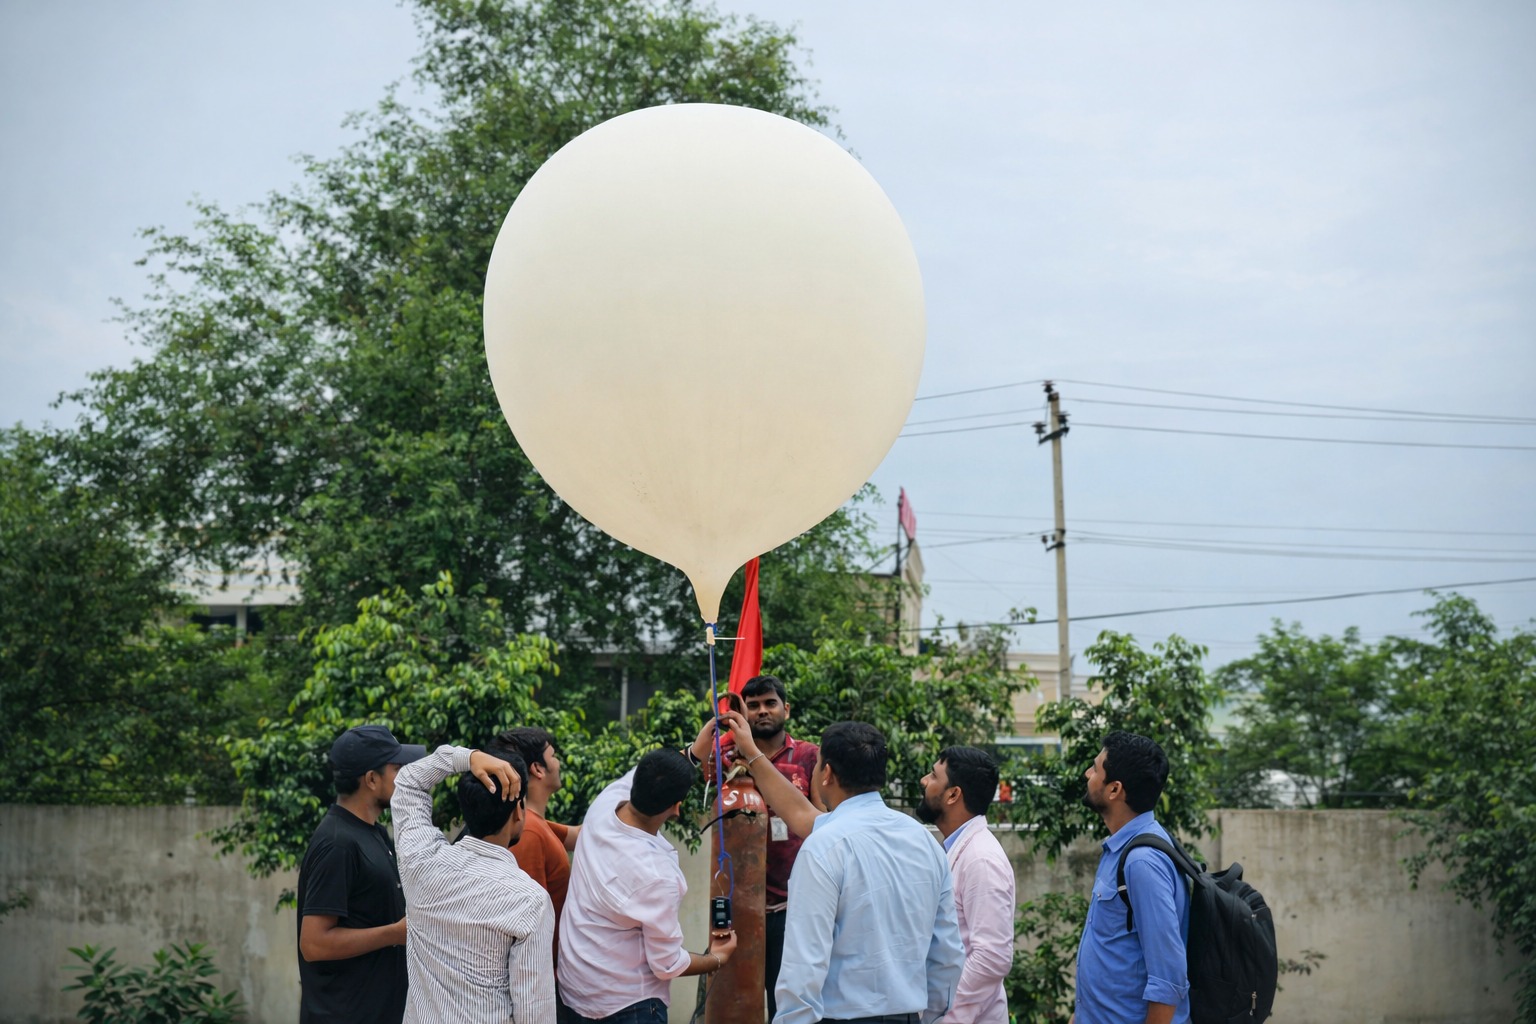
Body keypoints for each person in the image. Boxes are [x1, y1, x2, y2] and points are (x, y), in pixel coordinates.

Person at [722, 716, 964, 1024]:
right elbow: (948, 954)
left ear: (826, 774)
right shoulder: (925, 842)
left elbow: (803, 966)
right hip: (908, 1017)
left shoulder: (823, 847)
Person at [558, 748, 739, 1024]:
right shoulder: (658, 876)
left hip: (574, 993)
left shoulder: (603, 805)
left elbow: (653, 772)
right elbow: (667, 964)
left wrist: (693, 752)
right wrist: (717, 958)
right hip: (628, 1007)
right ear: (676, 808)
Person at [392, 742, 555, 1023]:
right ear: (519, 811)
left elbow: (408, 781)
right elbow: (534, 1012)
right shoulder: (530, 901)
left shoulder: (421, 862)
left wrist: (468, 758)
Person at [686, 674, 820, 1019]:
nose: (762, 711)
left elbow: (822, 824)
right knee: (733, 1005)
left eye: (770, 703)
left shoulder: (809, 755)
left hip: (791, 906)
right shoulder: (725, 755)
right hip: (738, 909)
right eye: (754, 705)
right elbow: (691, 788)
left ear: (786, 709)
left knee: (787, 1005)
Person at [296, 724, 427, 1024]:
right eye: (397, 769)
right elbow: (314, 944)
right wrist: (395, 933)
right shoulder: (337, 843)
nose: (405, 778)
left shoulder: (375, 833)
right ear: (371, 779)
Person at [1074, 731, 1190, 1024]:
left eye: (1095, 768)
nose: (1087, 774)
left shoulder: (1142, 861)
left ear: (1114, 789)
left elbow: (1169, 977)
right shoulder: (1123, 847)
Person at [916, 747, 1015, 1024]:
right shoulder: (957, 849)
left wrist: (948, 1017)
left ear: (953, 795)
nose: (924, 781)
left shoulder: (982, 860)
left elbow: (992, 957)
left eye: (933, 775)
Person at [490, 727, 580, 943]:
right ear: (538, 769)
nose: (558, 763)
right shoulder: (529, 832)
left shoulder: (534, 824)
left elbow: (583, 835)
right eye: (553, 756)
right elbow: (530, 924)